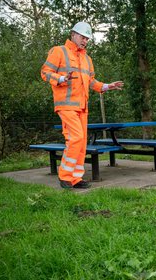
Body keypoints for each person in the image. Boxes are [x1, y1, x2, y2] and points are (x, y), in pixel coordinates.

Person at [41, 22, 124, 188]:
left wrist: (108, 86)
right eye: (82, 36)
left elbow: (91, 82)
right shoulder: (58, 51)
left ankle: (76, 178)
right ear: (73, 34)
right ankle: (65, 176)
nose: (84, 40)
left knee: (81, 141)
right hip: (66, 105)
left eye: (87, 38)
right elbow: (45, 72)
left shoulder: (87, 59)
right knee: (76, 138)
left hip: (82, 107)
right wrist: (63, 78)